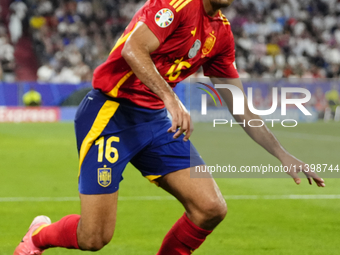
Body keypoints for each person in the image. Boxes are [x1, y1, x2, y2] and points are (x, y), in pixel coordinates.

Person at [14, 0, 325, 254]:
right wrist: (171, 99)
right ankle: (38, 237)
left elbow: (239, 104)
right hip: (110, 114)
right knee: (94, 238)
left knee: (210, 207)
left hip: (154, 120)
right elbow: (133, 49)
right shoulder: (176, 6)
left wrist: (281, 153)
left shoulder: (221, 35)